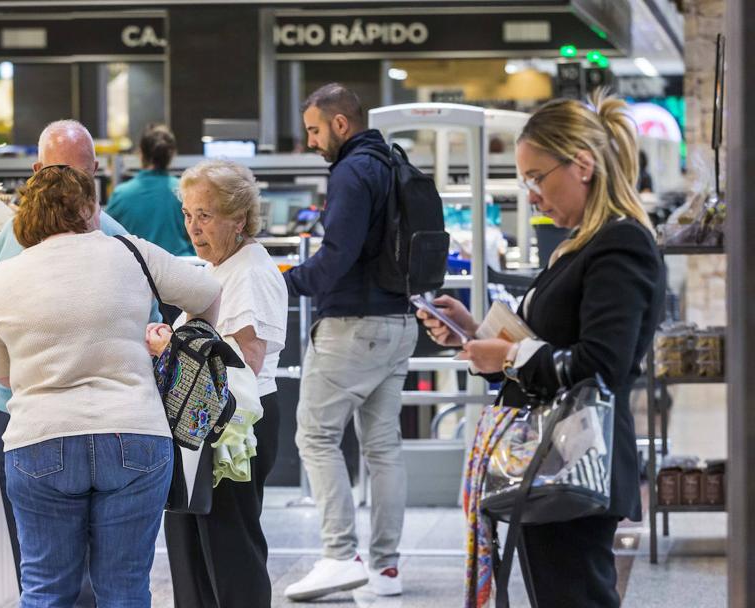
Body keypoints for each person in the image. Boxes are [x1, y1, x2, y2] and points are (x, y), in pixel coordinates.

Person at [420, 92, 664, 607]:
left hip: (577, 465)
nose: (530, 194)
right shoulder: (578, 244)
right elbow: (547, 346)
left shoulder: (620, 245)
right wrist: (472, 334)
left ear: (582, 165)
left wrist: (507, 356)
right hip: (551, 464)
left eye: (536, 177)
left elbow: (601, 363)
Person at [0, 165, 221, 607]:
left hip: (39, 442)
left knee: (46, 590)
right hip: (135, 435)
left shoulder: (5, 276)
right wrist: (176, 346)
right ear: (90, 207)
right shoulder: (130, 252)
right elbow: (206, 293)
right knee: (125, 589)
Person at [0, 119, 162, 602]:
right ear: (38, 170)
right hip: (124, 428)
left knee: (45, 580)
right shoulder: (119, 239)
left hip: (32, 426)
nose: (68, 189)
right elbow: (155, 324)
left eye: (77, 175)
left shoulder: (13, 237)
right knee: (119, 584)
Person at [282, 83, 418, 601]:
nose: (312, 141)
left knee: (316, 438)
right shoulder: (392, 163)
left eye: (315, 129)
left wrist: (285, 281)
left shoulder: (350, 172)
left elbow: (335, 257)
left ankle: (340, 555)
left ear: (341, 124)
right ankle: (386, 570)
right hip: (400, 323)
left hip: (353, 326)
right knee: (383, 448)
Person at [155, 160, 288, 608]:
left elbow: (244, 364)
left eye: (206, 216)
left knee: (231, 556)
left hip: (235, 430)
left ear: (240, 219)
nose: (194, 227)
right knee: (192, 554)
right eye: (189, 215)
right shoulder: (218, 266)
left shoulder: (250, 272)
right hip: (204, 425)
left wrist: (170, 350)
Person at [106, 124, 194, 258]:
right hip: (181, 268)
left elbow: (107, 236)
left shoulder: (121, 194)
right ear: (172, 154)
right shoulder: (185, 191)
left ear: (140, 153)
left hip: (138, 272)